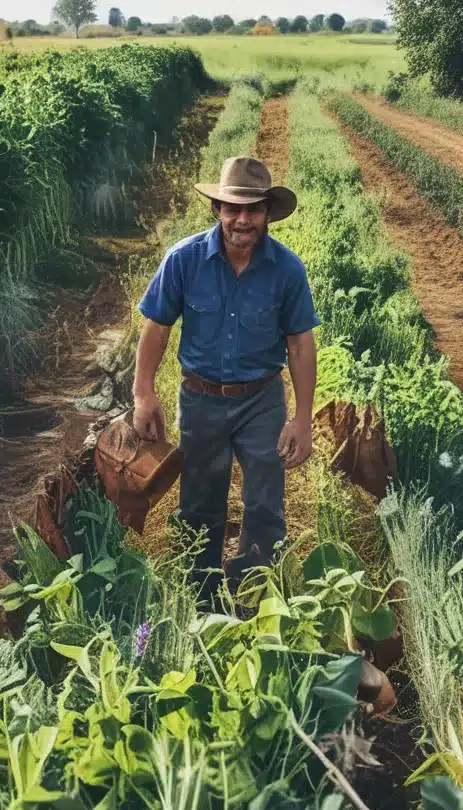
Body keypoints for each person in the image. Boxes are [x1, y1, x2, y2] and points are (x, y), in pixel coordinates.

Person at [132, 155, 319, 591]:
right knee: (199, 503)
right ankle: (200, 593)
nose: (242, 219)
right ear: (216, 210)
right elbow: (157, 328)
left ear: (267, 213)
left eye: (253, 209)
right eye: (232, 208)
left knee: (265, 505)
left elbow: (299, 344)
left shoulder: (288, 270)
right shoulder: (184, 260)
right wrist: (143, 394)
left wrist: (303, 419)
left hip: (262, 401)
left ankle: (254, 592)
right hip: (201, 399)